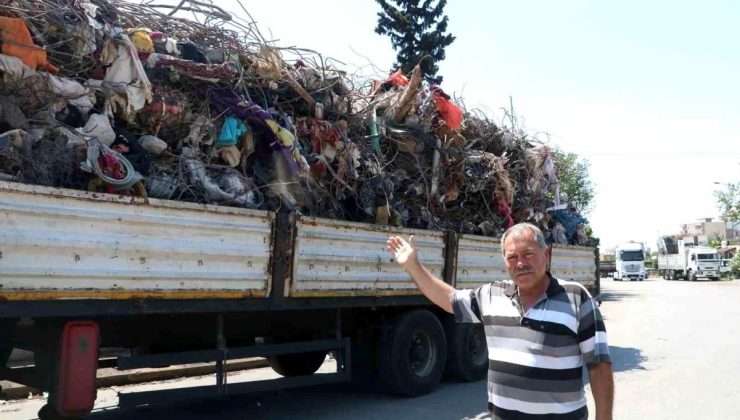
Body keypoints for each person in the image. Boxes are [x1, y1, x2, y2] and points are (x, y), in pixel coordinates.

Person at [386, 222, 613, 420]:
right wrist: (414, 267)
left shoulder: (576, 297)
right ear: (505, 263)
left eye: (528, 254)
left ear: (547, 255)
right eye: (512, 257)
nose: (520, 263)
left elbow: (599, 366)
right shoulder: (492, 295)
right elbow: (449, 298)